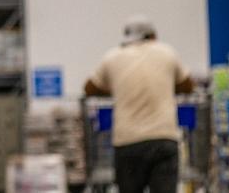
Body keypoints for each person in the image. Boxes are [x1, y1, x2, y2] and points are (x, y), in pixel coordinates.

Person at [84, 15, 195, 193]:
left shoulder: (112, 57)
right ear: (152, 35)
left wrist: (116, 89)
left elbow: (89, 88)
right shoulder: (166, 52)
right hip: (163, 138)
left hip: (127, 141)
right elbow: (188, 85)